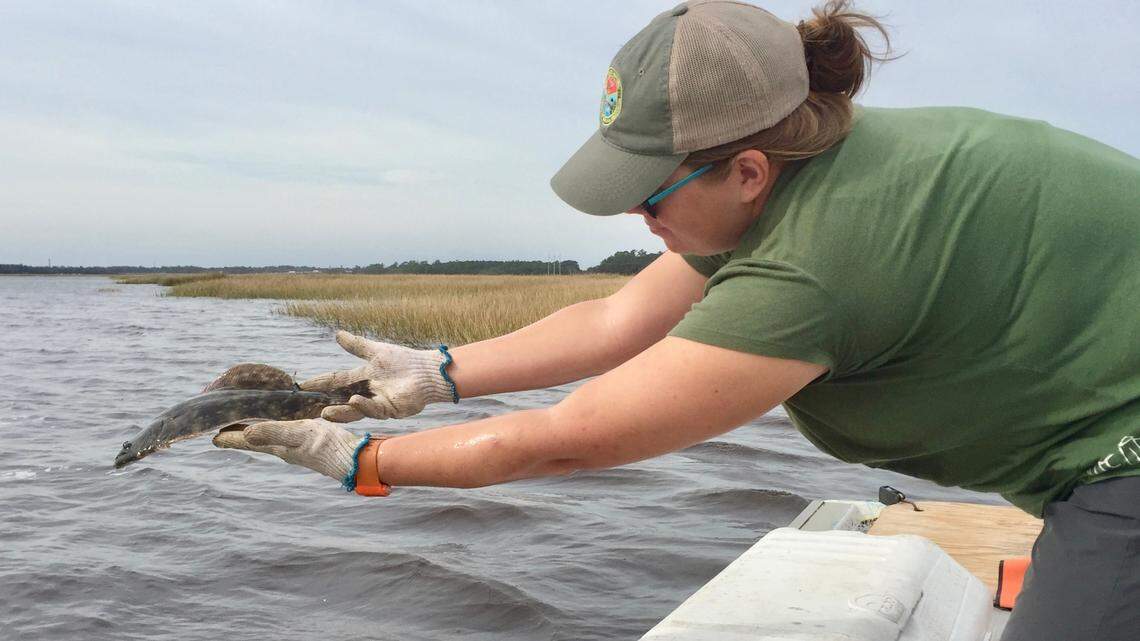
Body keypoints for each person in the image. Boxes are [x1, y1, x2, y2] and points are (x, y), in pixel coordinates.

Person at [214, 1, 1139, 638]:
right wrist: (436, 371)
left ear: (747, 170)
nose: (634, 215)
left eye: (650, 192)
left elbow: (567, 440)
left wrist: (358, 461)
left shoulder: (819, 263)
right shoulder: (809, 160)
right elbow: (618, 319)